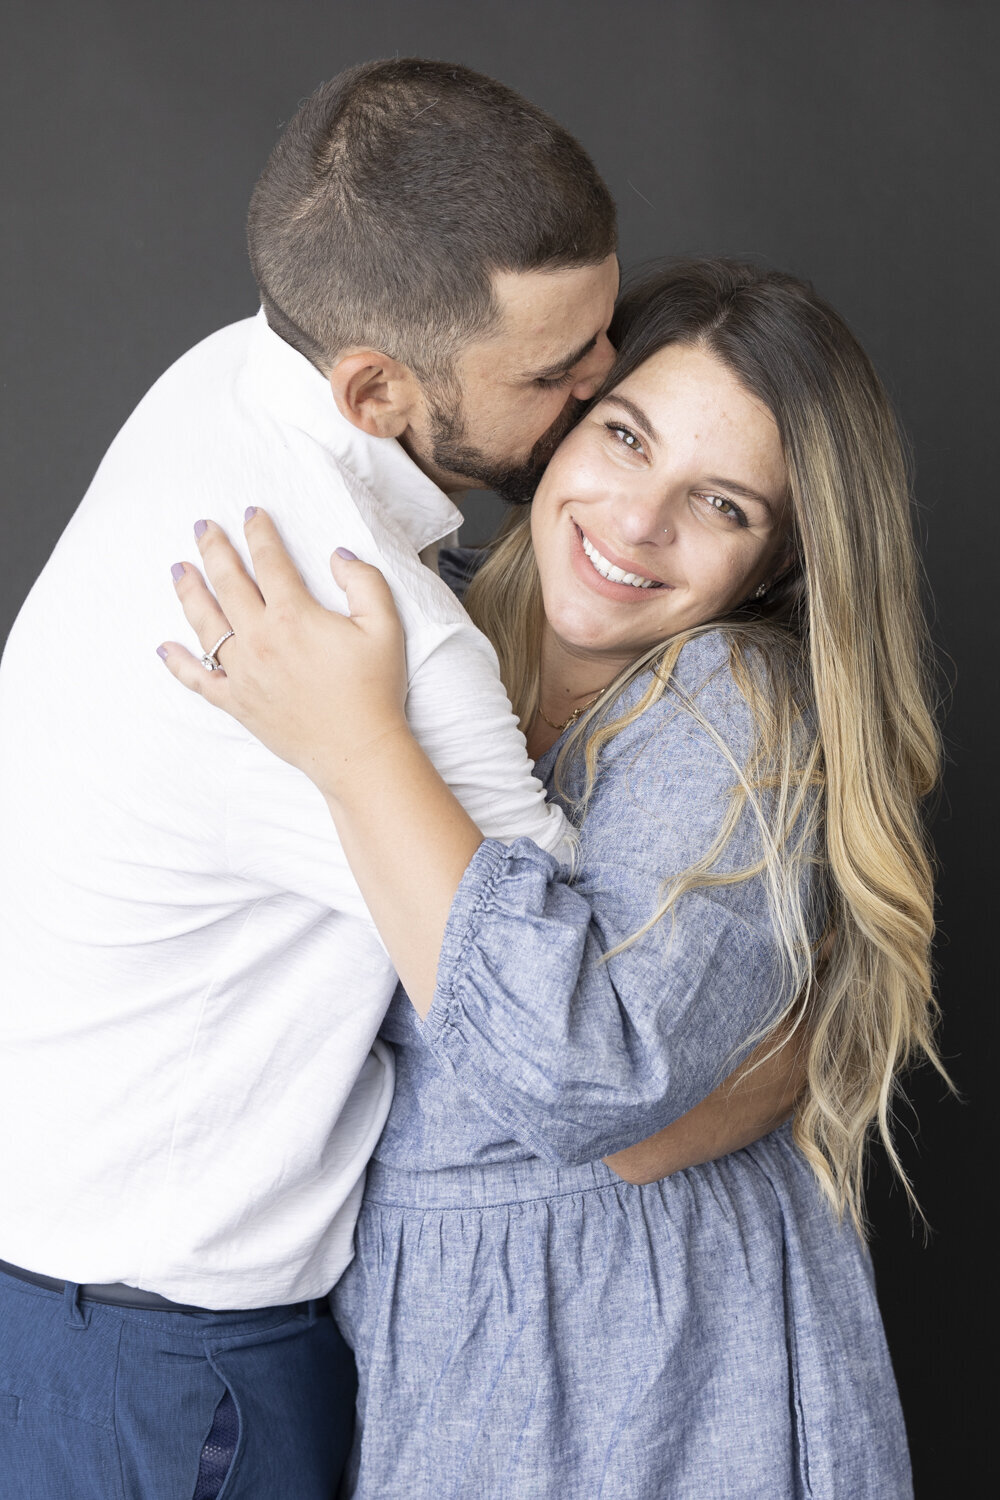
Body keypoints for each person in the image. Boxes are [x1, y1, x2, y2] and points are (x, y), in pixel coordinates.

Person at [0, 64, 792, 1498]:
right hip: (179, 1364)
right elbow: (582, 1049)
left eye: (602, 331)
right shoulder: (379, 629)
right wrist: (809, 1040)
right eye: (557, 378)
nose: (601, 380)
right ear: (375, 388)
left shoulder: (223, 382)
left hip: (64, 1306)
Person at [161, 259, 947, 1498]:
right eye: (624, 436)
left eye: (723, 505)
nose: (637, 521)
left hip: (654, 1348)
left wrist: (355, 752)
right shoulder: (424, 627)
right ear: (561, 419)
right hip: (424, 1332)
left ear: (777, 566)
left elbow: (590, 1082)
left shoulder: (730, 700)